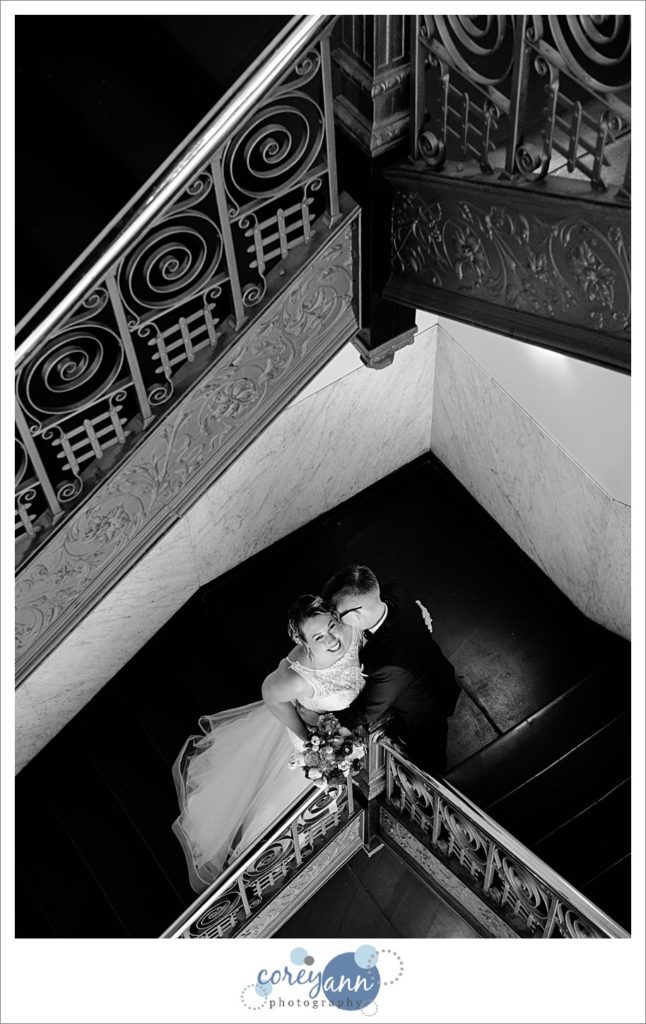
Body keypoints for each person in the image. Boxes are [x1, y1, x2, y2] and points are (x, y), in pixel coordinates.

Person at [172, 596, 365, 893]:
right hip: (323, 735)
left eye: (332, 626)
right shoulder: (296, 678)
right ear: (303, 643)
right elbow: (271, 696)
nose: (332, 639)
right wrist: (309, 739)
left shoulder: (353, 628)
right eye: (318, 637)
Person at [322, 565, 460, 775]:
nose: (336, 619)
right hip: (437, 671)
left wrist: (328, 720)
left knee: (428, 754)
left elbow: (368, 711)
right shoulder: (394, 592)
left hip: (422, 709)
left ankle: (432, 775)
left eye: (337, 614)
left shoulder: (391, 664)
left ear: (357, 613)